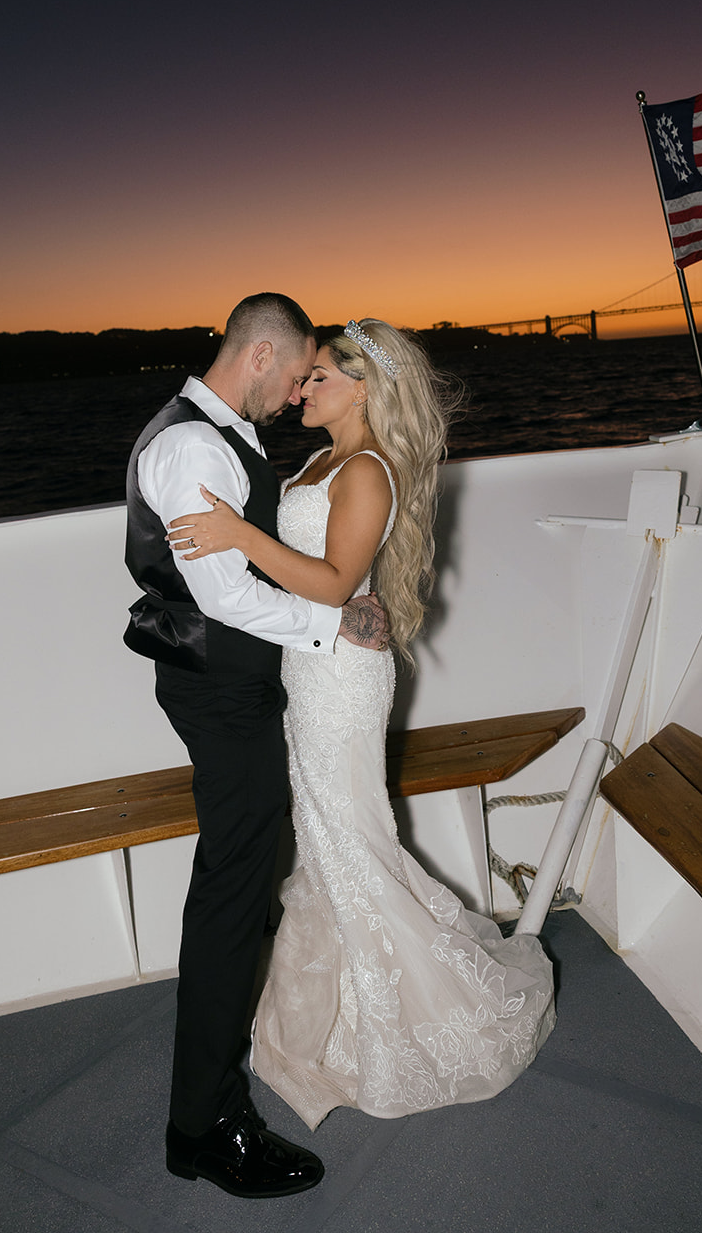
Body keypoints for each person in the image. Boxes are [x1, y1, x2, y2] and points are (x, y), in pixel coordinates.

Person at [167, 318, 556, 1132]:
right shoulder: (318, 460)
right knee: (325, 841)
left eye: (318, 379)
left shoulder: (369, 469)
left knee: (350, 840)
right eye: (302, 378)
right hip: (307, 668)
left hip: (339, 681)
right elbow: (325, 581)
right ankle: (342, 1019)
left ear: (365, 387)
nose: (301, 390)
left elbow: (338, 578)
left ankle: (420, 1020)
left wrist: (237, 535)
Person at [122, 293, 387, 1200]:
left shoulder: (205, 431)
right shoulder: (196, 444)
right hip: (222, 689)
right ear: (264, 353)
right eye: (299, 368)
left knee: (235, 884)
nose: (297, 389)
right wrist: (332, 626)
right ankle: (203, 1126)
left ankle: (208, 1099)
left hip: (222, 684)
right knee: (233, 894)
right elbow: (227, 595)